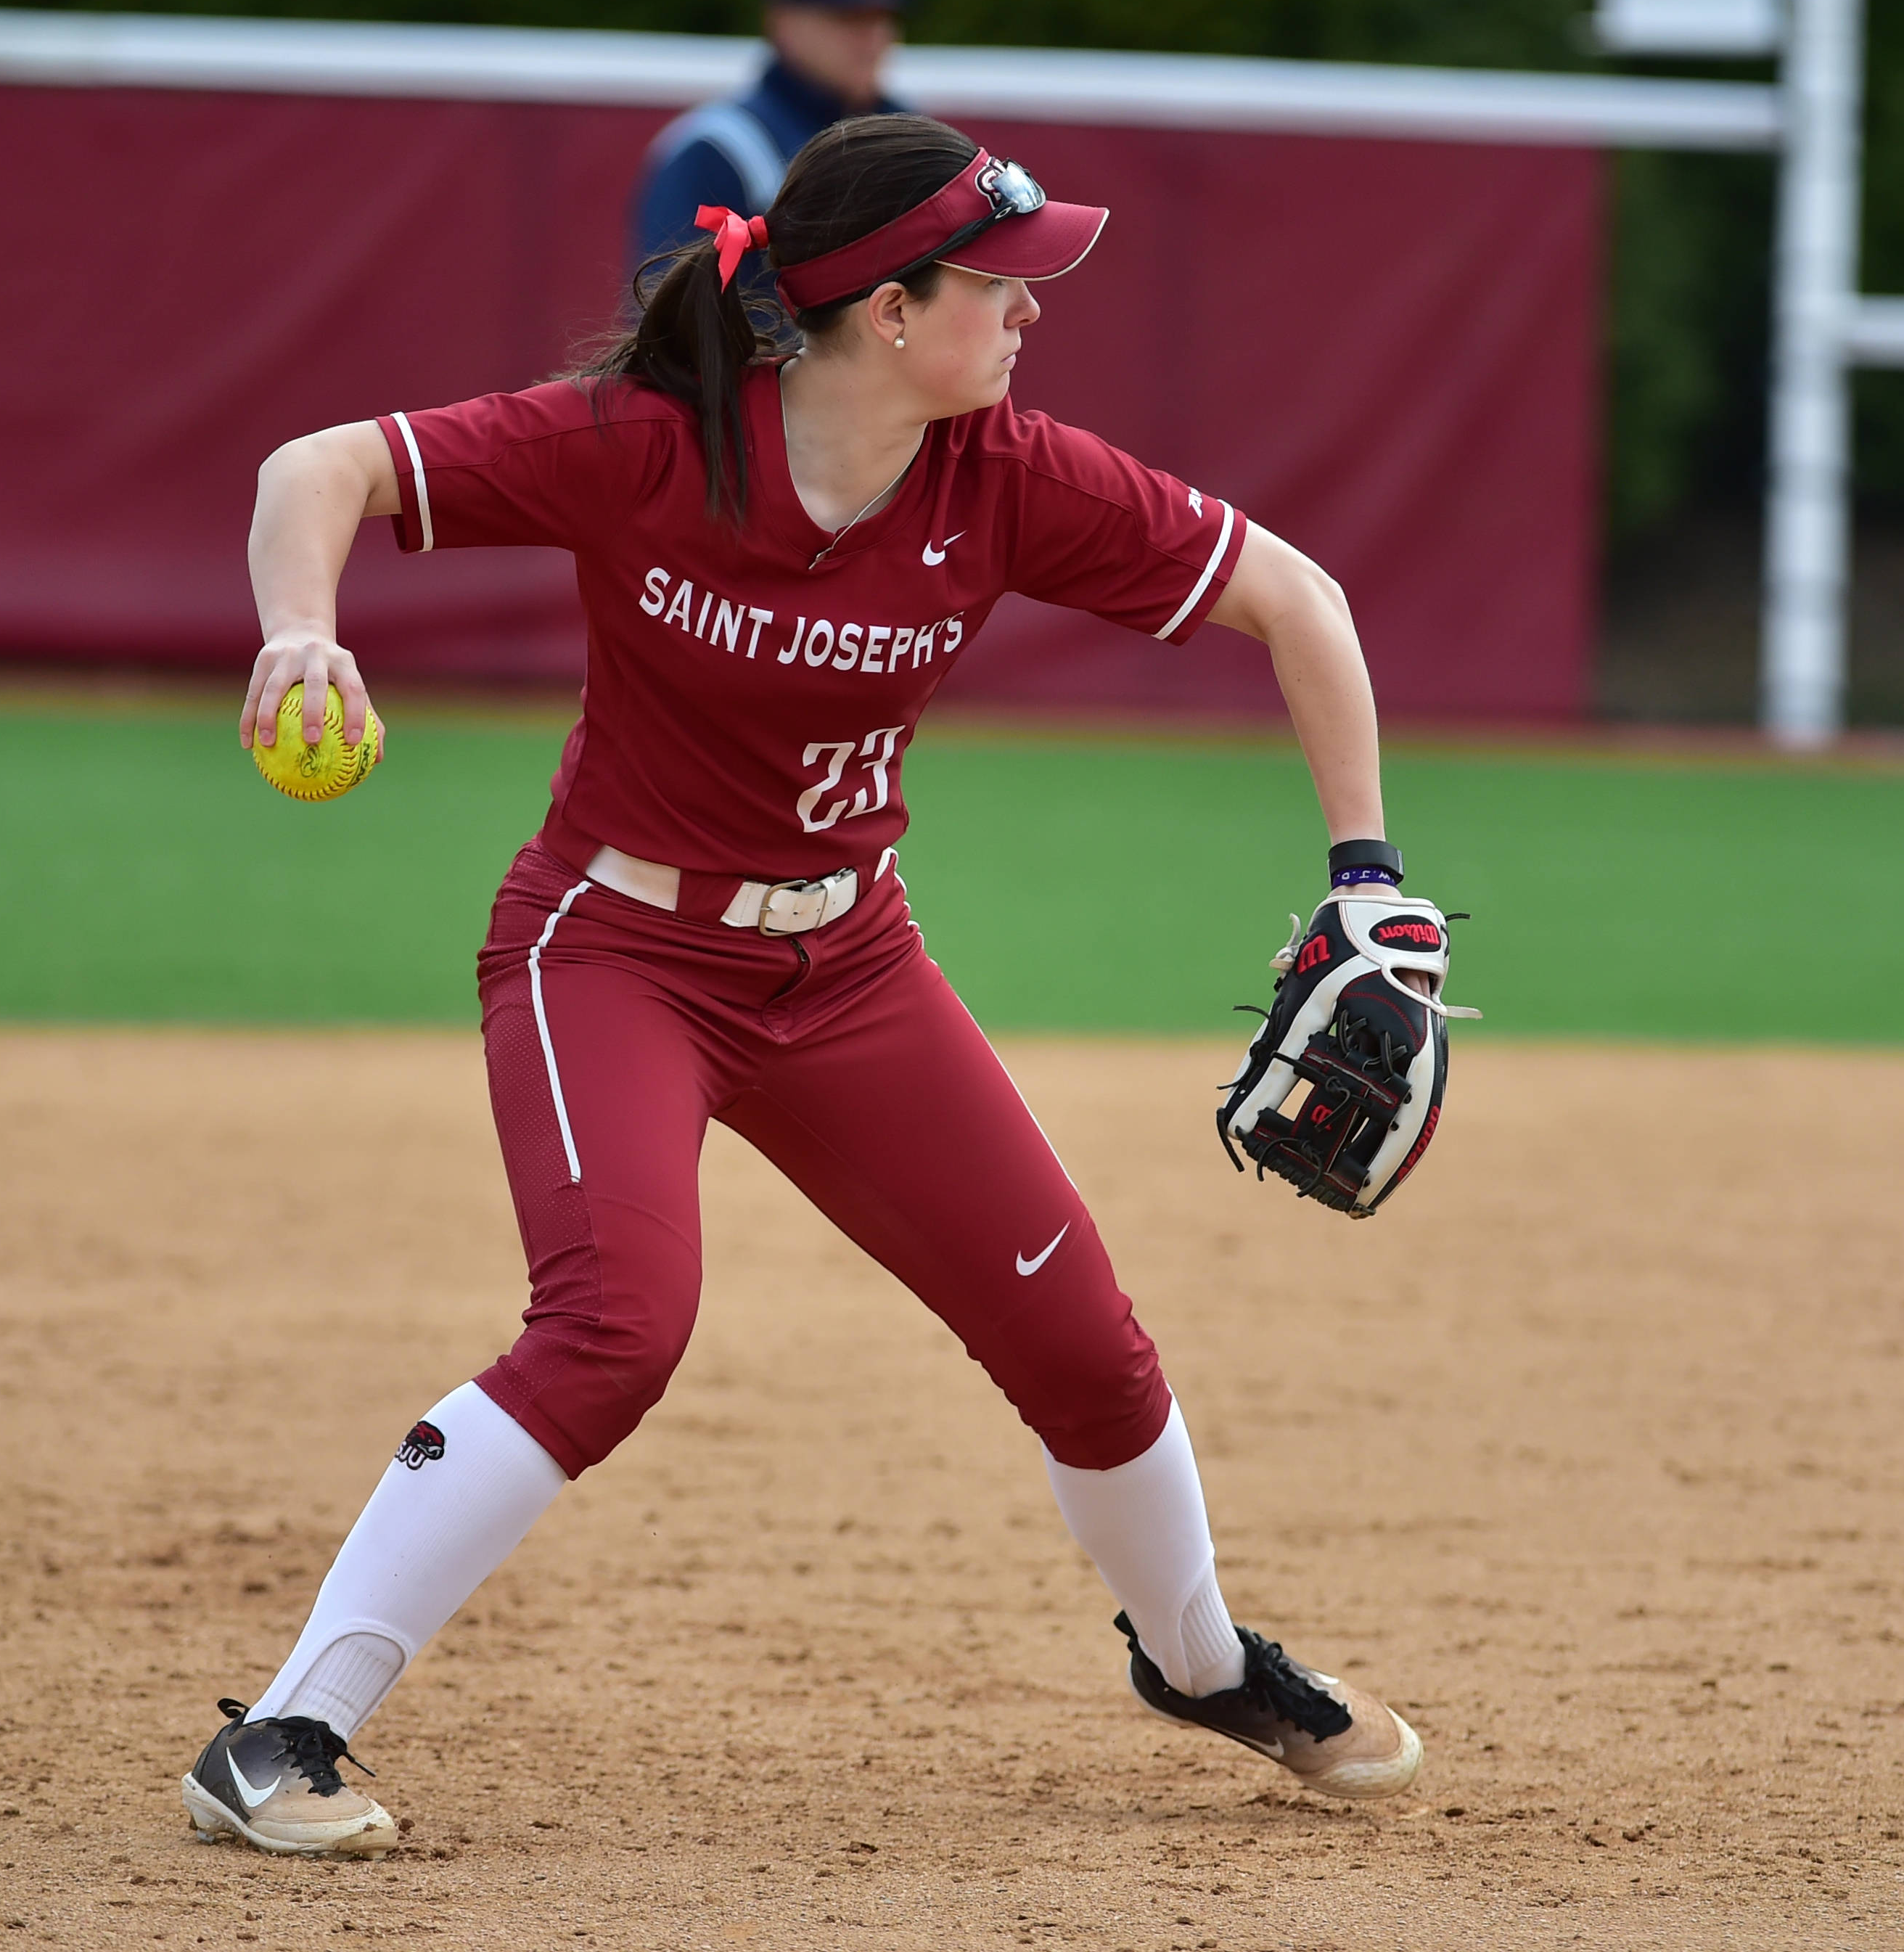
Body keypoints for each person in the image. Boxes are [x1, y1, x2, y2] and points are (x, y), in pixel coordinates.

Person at [186, 113, 1428, 1858]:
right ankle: (283, 1732)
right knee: (617, 1324)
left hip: (846, 962)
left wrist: (1367, 877)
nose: (1029, 314)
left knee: (1083, 1343)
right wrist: (298, 625)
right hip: (614, 945)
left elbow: (1299, 599)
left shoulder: (1006, 473)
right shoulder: (648, 444)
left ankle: (1203, 1659)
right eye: (998, 284)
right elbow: (318, 468)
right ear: (887, 312)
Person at [629, 0, 906, 272]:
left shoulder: (910, 135)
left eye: (882, 17)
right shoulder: (718, 151)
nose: (873, 37)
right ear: (783, 23)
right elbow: (675, 311)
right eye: (848, 17)